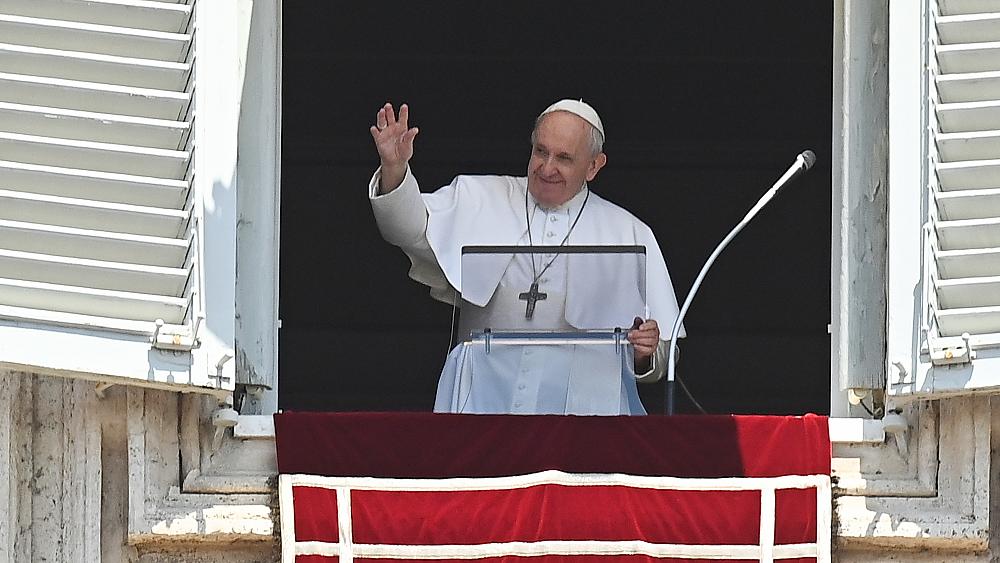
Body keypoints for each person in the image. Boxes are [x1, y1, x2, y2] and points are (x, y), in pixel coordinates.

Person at [368, 99, 684, 415]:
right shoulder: (480, 197)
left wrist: (644, 353)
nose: (547, 168)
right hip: (483, 396)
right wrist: (395, 169)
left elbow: (659, 356)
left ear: (593, 166)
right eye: (540, 152)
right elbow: (409, 232)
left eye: (563, 158)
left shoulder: (628, 233)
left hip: (583, 408)